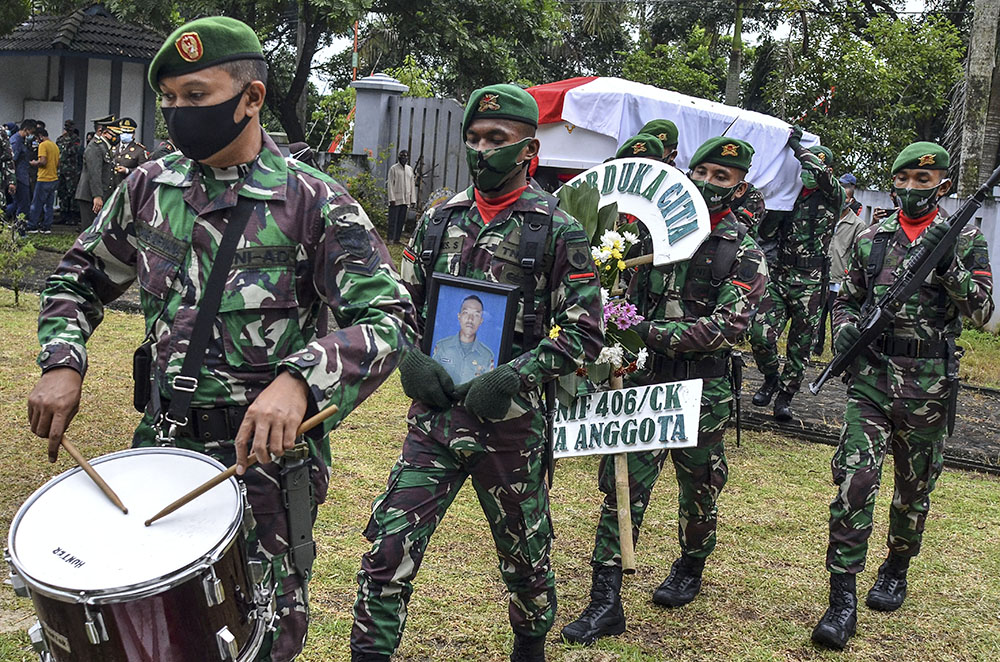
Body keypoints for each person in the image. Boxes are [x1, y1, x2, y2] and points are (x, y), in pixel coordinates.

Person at [26, 16, 416, 662]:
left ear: (251, 98)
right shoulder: (149, 187)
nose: (179, 113)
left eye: (196, 96)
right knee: (150, 634)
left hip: (261, 465)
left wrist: (299, 380)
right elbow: (78, 277)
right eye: (169, 99)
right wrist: (62, 362)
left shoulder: (313, 202)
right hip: (161, 451)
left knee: (257, 635)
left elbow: (389, 318)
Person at [351, 84, 605, 662]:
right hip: (436, 421)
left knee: (526, 560)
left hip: (510, 428)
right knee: (388, 550)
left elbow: (584, 333)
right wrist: (411, 360)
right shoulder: (438, 219)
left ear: (528, 149)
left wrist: (515, 375)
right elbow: (401, 310)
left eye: (496, 138)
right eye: (474, 138)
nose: (482, 149)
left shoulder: (557, 230)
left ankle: (529, 648)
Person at [560, 137, 768, 646]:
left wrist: (643, 331)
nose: (709, 183)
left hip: (703, 389)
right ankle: (605, 600)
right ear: (686, 174)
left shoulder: (743, 252)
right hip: (645, 380)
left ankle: (691, 565)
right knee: (622, 484)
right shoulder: (647, 234)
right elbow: (616, 292)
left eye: (723, 177)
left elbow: (726, 326)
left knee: (700, 487)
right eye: (703, 172)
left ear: (739, 186)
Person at [812, 142, 993, 649]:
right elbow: (847, 300)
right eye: (903, 179)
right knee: (854, 483)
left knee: (913, 492)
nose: (911, 188)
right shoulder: (873, 237)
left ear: (943, 185)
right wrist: (844, 330)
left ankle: (895, 567)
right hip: (871, 380)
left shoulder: (966, 239)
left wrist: (948, 267)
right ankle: (841, 599)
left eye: (923, 180)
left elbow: (982, 312)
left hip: (928, 387)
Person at [749, 129, 844, 421]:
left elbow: (819, 170)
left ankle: (785, 396)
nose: (809, 173)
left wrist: (795, 145)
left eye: (814, 168)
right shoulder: (786, 194)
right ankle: (770, 377)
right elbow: (766, 233)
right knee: (760, 335)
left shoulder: (833, 196)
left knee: (799, 347)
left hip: (811, 282)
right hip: (780, 275)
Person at [819, 198, 866, 353]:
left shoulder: (857, 224)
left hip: (840, 277)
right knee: (819, 316)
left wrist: (848, 271)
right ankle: (817, 348)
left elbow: (857, 251)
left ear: (851, 200)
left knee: (837, 315)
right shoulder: (826, 217)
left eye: (846, 197)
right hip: (822, 276)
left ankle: (837, 349)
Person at [431, 294, 495, 384]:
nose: (470, 319)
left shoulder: (487, 356)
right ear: (459, 316)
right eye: (466, 313)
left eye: (476, 315)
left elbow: (487, 387)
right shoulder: (442, 347)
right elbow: (431, 379)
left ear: (481, 321)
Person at [74, 116, 117, 229]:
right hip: (90, 196)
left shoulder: (104, 146)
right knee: (90, 230)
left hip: (99, 195)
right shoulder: (95, 147)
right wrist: (97, 196)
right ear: (101, 131)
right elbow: (94, 173)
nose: (116, 136)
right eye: (113, 132)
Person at [27, 128, 60, 233]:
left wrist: (33, 163)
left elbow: (43, 162)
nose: (36, 140)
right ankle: (47, 227)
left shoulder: (43, 145)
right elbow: (58, 163)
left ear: (40, 136)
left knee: (37, 204)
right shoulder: (54, 146)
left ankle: (32, 225)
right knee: (49, 205)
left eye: (37, 138)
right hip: (53, 178)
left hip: (43, 178)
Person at [386, 149, 415, 244]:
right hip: (395, 199)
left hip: (406, 199)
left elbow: (412, 184)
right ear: (398, 157)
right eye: (402, 156)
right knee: (393, 220)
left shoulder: (409, 169)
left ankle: (397, 239)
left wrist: (412, 199)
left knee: (401, 221)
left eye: (405, 156)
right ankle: (390, 238)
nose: (404, 158)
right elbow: (390, 184)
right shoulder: (393, 169)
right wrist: (391, 198)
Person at [9, 119, 37, 220]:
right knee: (23, 205)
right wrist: (12, 180)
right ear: (26, 129)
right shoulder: (16, 141)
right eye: (31, 132)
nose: (31, 135)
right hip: (19, 178)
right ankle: (20, 226)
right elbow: (12, 161)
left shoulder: (21, 140)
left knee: (18, 204)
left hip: (23, 176)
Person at [56, 120, 82, 225]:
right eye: (67, 126)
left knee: (72, 193)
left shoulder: (76, 139)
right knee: (62, 193)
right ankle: (63, 214)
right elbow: (57, 152)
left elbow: (74, 150)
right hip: (61, 170)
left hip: (72, 171)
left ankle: (73, 216)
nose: (68, 128)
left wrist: (66, 149)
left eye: (70, 126)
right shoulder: (60, 139)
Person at [112, 116, 148, 187]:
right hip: (112, 186)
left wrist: (127, 170)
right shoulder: (113, 147)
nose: (125, 135)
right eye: (123, 132)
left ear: (133, 135)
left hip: (128, 186)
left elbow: (144, 170)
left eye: (128, 133)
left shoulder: (139, 150)